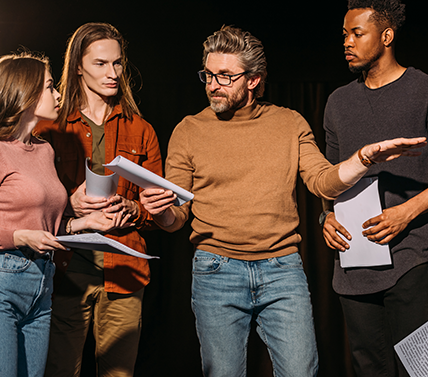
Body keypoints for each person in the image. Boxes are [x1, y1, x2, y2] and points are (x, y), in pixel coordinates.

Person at [140, 25, 425, 377]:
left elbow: (323, 182)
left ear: (254, 80)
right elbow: (177, 218)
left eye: (225, 76)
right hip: (216, 271)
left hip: (281, 270)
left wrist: (363, 158)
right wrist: (161, 212)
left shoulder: (289, 123)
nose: (213, 85)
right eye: (209, 74)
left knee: (301, 371)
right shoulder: (189, 130)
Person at [35, 23, 163, 377]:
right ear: (78, 65)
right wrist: (70, 205)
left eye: (118, 64)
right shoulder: (49, 128)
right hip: (65, 272)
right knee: (60, 370)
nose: (113, 73)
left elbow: (157, 211)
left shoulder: (141, 129)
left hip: (124, 271)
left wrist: (134, 208)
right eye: (101, 64)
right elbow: (29, 207)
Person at [0, 53, 130, 377]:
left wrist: (82, 223)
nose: (58, 94)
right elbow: (22, 230)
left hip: (43, 283)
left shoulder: (44, 149)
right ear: (24, 92)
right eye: (48, 87)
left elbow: (45, 224)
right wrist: (17, 236)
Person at [322, 0, 428, 377]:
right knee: (369, 368)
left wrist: (408, 211)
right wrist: (326, 218)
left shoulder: (423, 90)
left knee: (418, 367)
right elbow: (329, 177)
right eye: (344, 34)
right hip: (355, 264)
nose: (347, 42)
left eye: (357, 33)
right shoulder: (337, 102)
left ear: (386, 36)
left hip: (412, 259)